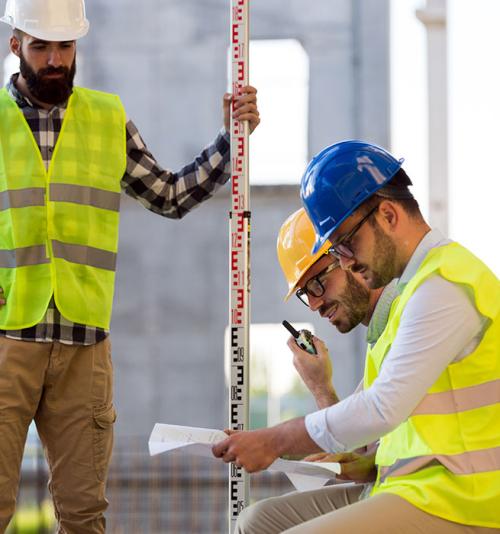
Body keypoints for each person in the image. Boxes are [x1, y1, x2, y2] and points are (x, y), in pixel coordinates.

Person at [0, 0, 260, 532]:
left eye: (64, 47)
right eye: (41, 46)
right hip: (7, 341)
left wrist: (232, 142)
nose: (54, 60)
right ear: (15, 46)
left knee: (84, 514)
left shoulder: (106, 118)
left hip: (84, 345)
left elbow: (168, 195)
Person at [213, 141, 500, 533]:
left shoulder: (444, 287)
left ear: (387, 213)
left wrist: (275, 439)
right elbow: (392, 426)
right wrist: (370, 460)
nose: (346, 260)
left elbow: (382, 408)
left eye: (345, 244)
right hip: (416, 486)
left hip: (465, 498)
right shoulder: (413, 294)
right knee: (257, 522)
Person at [233, 207, 398, 533]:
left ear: (350, 256)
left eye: (319, 282)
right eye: (305, 293)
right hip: (392, 485)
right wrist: (321, 386)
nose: (315, 304)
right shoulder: (380, 334)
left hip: (427, 492)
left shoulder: (410, 318)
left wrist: (273, 442)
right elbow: (361, 445)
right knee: (254, 522)